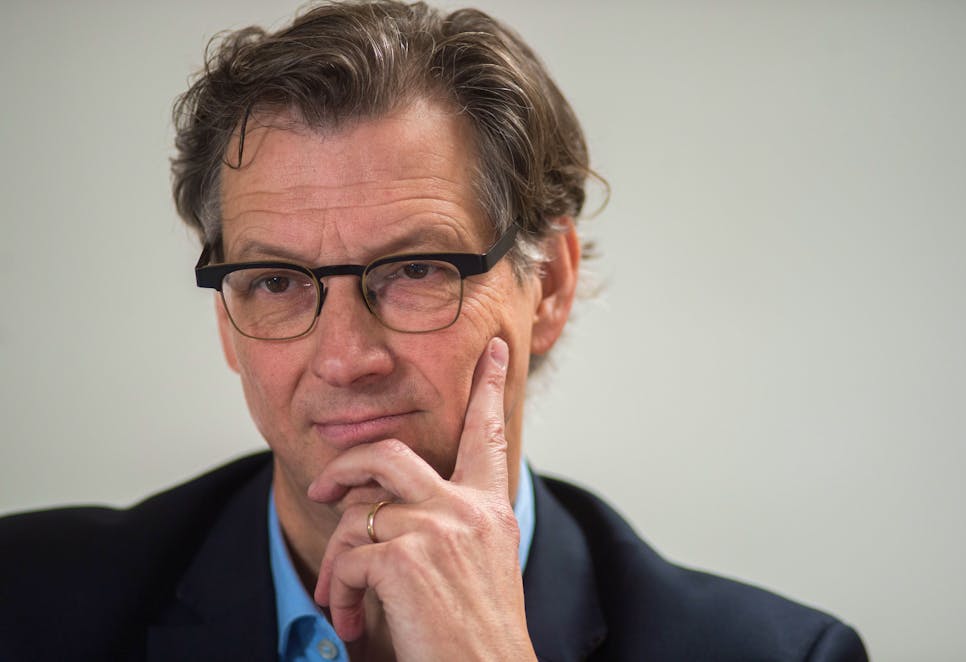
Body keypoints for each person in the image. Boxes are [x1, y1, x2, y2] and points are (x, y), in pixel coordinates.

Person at [0, 2, 868, 660]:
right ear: (228, 323)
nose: (345, 358)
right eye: (275, 283)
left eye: (416, 270)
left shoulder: (781, 655)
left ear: (549, 285)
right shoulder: (25, 601)